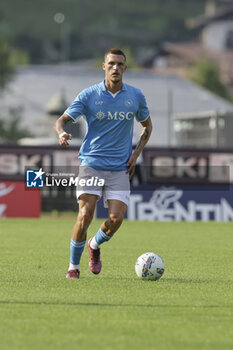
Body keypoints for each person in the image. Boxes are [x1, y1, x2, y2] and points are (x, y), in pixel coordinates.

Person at [55, 48, 152, 279]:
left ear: (125, 68)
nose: (115, 68)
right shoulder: (90, 95)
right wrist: (61, 133)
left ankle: (95, 245)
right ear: (103, 66)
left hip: (119, 167)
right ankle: (73, 267)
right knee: (85, 214)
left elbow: (147, 127)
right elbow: (62, 120)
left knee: (116, 220)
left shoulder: (136, 96)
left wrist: (136, 154)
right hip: (91, 163)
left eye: (120, 64)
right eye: (111, 64)